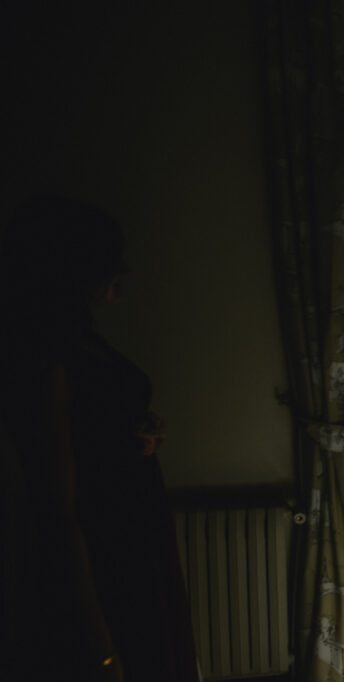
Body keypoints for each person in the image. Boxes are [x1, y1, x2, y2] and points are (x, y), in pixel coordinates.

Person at [0, 197, 198, 681]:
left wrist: (139, 429)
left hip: (131, 535)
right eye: (111, 273)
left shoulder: (80, 339)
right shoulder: (44, 356)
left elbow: (92, 428)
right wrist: (97, 634)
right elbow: (54, 501)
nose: (117, 288)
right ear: (76, 273)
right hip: (107, 547)